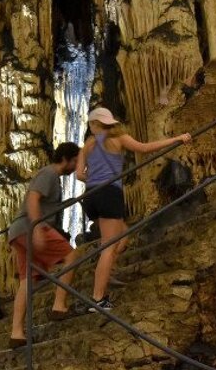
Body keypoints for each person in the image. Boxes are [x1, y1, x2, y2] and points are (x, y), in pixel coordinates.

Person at [77, 107, 190, 311]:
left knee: (123, 235)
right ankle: (98, 300)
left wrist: (93, 176)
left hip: (91, 196)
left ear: (95, 124)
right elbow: (145, 148)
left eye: (91, 125)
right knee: (109, 247)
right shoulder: (118, 138)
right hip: (109, 193)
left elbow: (79, 174)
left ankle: (106, 270)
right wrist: (176, 139)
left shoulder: (88, 145)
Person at [6, 142, 82, 347]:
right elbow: (33, 199)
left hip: (18, 231)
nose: (77, 166)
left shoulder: (53, 178)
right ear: (65, 159)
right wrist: (37, 228)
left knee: (27, 281)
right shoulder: (48, 174)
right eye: (75, 161)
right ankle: (59, 305)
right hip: (30, 228)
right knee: (72, 256)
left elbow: (47, 205)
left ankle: (17, 333)